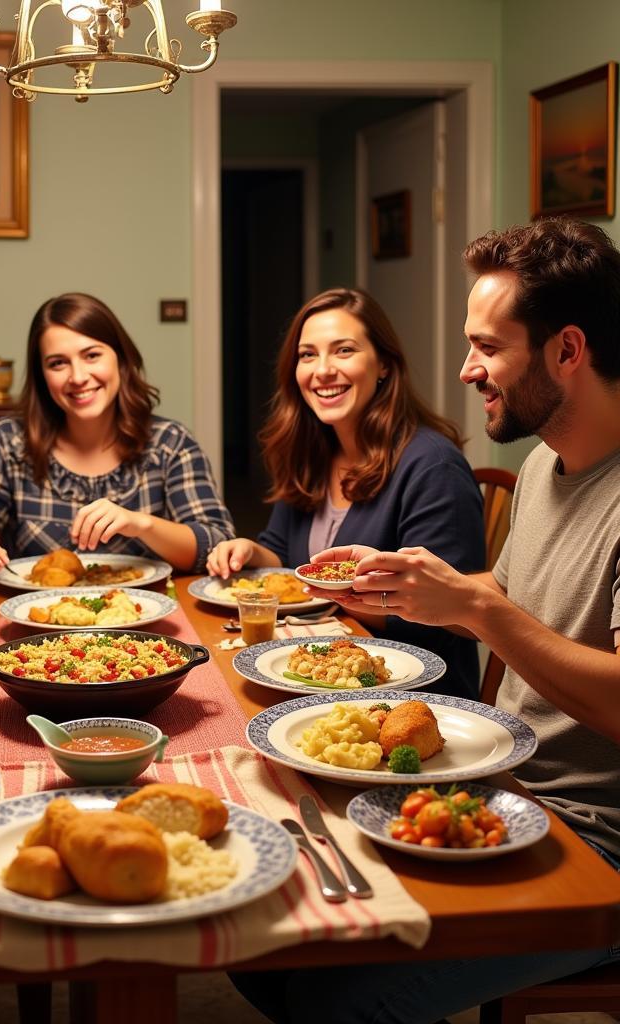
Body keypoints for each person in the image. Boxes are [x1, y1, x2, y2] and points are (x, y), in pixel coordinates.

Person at [232, 219, 620, 1023]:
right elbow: (508, 599)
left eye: (487, 346)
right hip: (497, 791)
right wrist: (404, 590)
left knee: (332, 998)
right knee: (259, 933)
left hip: (598, 844)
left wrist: (475, 607)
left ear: (567, 351)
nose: (466, 368)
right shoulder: (547, 462)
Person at [206, 288, 484, 700]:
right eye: (307, 355)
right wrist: (249, 551)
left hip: (411, 696)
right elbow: (283, 558)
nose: (322, 370)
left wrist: (342, 594)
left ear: (384, 365)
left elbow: (452, 616)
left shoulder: (432, 466)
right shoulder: (313, 453)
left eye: (343, 351)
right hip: (321, 674)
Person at [0, 292, 234, 575]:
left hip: (147, 620)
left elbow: (218, 543)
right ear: (42, 376)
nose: (77, 377)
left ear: (121, 358)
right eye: (58, 363)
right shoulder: (8, 442)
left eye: (91, 355)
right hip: (36, 621)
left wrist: (141, 524)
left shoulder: (171, 443)